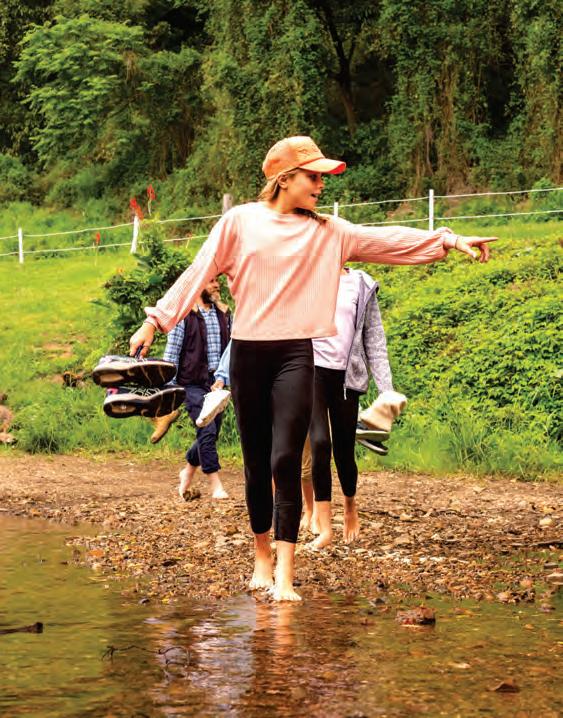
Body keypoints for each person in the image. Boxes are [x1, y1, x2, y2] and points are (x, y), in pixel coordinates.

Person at [128, 135, 495, 601]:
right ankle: (261, 555)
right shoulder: (239, 222)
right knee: (257, 462)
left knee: (286, 458)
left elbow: (386, 241)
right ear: (284, 179)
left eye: (323, 178)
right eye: (313, 177)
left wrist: (450, 240)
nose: (321, 185)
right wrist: (155, 321)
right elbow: (197, 272)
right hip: (248, 355)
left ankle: (285, 572)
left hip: (296, 355)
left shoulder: (329, 231)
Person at [306, 266, 405, 550]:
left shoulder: (361, 284)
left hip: (347, 376)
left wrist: (386, 391)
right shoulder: (307, 273)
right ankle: (325, 528)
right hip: (312, 371)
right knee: (320, 443)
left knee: (344, 451)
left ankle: (350, 504)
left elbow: (374, 340)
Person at [162, 277, 232, 500]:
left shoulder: (224, 314)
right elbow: (171, 353)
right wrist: (170, 389)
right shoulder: (184, 315)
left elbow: (231, 350)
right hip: (191, 383)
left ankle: (188, 471)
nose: (216, 285)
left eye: (217, 280)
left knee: (211, 433)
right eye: (210, 281)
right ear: (198, 285)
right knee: (207, 428)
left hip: (216, 383)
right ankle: (215, 484)